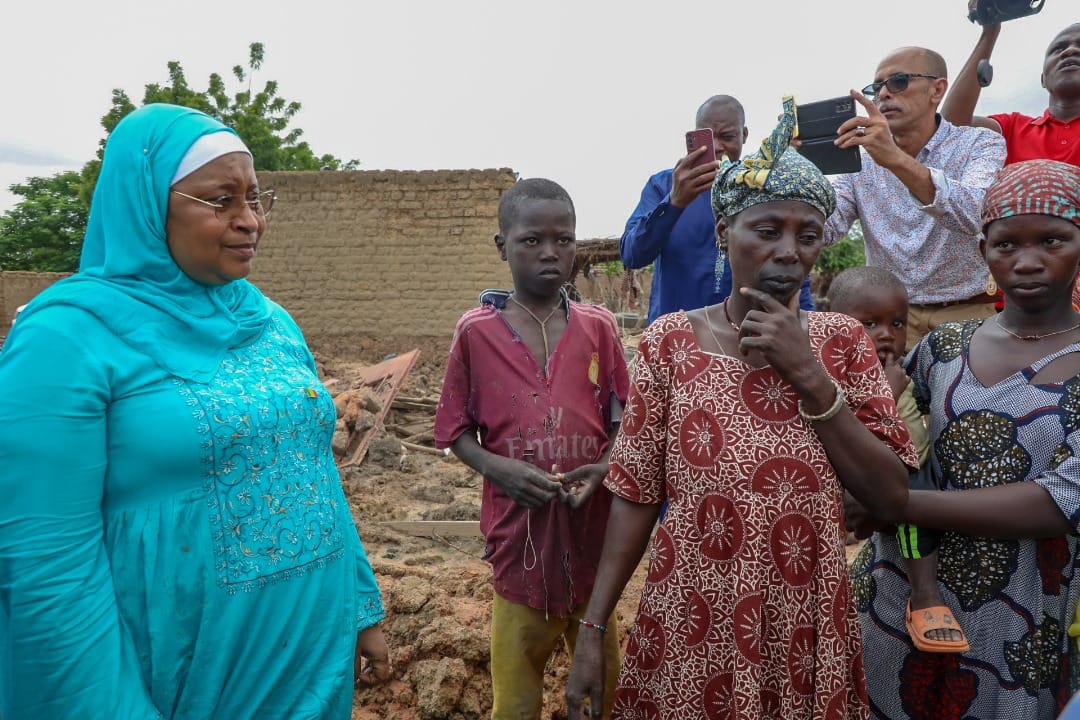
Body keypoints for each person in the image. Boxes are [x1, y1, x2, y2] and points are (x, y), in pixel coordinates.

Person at [0, 104, 389, 719]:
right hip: (176, 667)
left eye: (256, 199)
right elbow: (45, 559)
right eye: (221, 201)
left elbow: (309, 472)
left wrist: (362, 605)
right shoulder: (67, 339)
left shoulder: (268, 321)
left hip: (312, 651)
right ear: (148, 202)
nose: (250, 221)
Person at [565, 99, 916, 720]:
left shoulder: (841, 342)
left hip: (803, 622)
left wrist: (808, 374)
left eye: (807, 236)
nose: (788, 251)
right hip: (690, 616)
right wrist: (593, 629)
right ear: (724, 234)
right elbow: (637, 495)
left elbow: (890, 495)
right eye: (767, 230)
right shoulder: (671, 342)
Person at [849, 159, 1080, 719]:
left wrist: (899, 503)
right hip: (896, 594)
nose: (1026, 261)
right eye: (1006, 244)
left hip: (1021, 614)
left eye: (1052, 240)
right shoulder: (945, 346)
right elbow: (896, 436)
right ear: (982, 248)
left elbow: (1061, 500)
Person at [433, 178, 629, 719]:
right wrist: (502, 471)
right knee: (516, 699)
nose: (550, 253)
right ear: (503, 246)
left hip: (592, 541)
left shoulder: (599, 328)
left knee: (601, 692)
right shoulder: (476, 332)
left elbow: (626, 422)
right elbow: (452, 432)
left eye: (563, 240)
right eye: (531, 240)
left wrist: (605, 467)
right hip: (520, 545)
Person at [827, 268, 970, 653]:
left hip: (910, 469)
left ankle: (925, 594)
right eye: (869, 323)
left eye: (897, 323)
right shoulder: (827, 370)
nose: (886, 334)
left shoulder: (900, 368)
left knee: (916, 501)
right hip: (859, 471)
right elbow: (842, 427)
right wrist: (884, 393)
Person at [826, 46, 1006, 349]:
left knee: (962, 398)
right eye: (876, 87)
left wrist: (894, 159)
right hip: (889, 320)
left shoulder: (981, 143)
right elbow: (826, 230)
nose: (883, 93)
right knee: (887, 398)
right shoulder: (860, 158)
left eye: (898, 81)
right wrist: (793, 169)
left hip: (967, 313)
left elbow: (976, 214)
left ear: (937, 90)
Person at [621, 95, 813, 326]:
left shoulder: (762, 188)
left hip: (747, 338)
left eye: (728, 137)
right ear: (691, 139)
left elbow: (793, 266)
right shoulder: (663, 186)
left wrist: (806, 326)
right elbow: (632, 254)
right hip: (676, 338)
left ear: (744, 136)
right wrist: (673, 203)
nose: (718, 147)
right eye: (707, 138)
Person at [942, 18, 1080, 167]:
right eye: (1058, 48)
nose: (1070, 50)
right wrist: (990, 32)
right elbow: (949, 129)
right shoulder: (1012, 128)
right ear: (1043, 80)